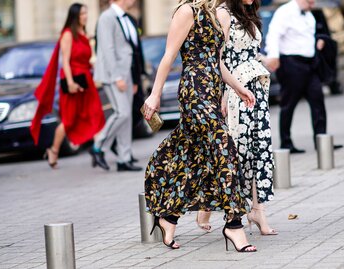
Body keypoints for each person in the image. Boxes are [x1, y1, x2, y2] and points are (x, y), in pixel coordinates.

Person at [143, 0, 257, 252]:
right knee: (224, 147)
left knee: (194, 155)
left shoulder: (217, 15)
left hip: (213, 90)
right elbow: (169, 55)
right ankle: (234, 224)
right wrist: (155, 94)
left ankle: (168, 217)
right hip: (194, 92)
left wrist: (238, 88)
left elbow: (217, 62)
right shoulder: (187, 11)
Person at [196, 0, 278, 236]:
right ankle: (209, 206)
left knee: (259, 150)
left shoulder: (250, 13)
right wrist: (224, 93)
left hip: (257, 91)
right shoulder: (222, 13)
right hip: (235, 92)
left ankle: (258, 209)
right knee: (235, 151)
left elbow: (251, 53)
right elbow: (217, 58)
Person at [31, 3, 105, 168]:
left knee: (96, 114)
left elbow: (86, 59)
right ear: (75, 16)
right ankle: (53, 150)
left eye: (86, 13)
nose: (86, 16)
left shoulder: (84, 34)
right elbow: (65, 62)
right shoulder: (67, 34)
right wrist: (70, 82)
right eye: (82, 14)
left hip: (86, 81)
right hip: (72, 81)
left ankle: (98, 149)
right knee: (68, 120)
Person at [265, 0, 342, 153]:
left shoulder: (308, 14)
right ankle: (286, 143)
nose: (313, 4)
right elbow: (273, 35)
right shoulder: (284, 12)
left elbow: (307, 36)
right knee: (289, 104)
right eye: (310, 1)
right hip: (291, 64)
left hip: (310, 64)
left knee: (318, 101)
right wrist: (273, 57)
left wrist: (319, 40)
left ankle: (322, 141)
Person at [93, 0, 142, 172]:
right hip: (114, 74)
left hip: (126, 72)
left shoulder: (125, 17)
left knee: (127, 117)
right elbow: (107, 49)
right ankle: (98, 145)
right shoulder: (107, 17)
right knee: (122, 113)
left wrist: (133, 79)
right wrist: (117, 77)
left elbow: (131, 49)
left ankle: (124, 158)